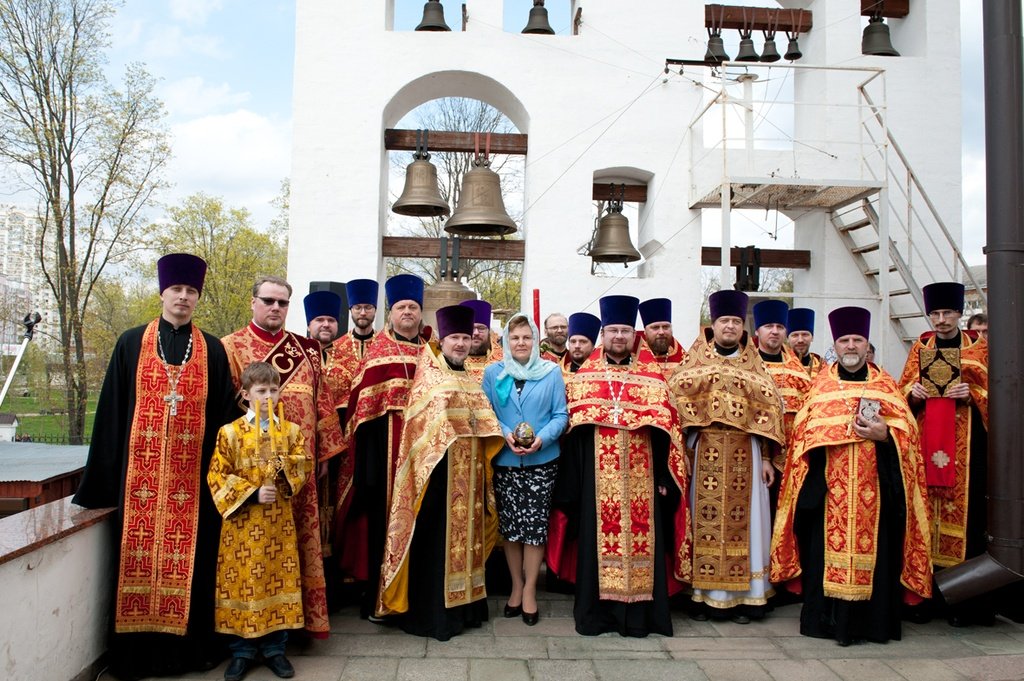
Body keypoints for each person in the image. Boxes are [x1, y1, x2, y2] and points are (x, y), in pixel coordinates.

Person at [73, 253, 240, 680]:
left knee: (194, 568)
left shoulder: (212, 348)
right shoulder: (131, 342)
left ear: (197, 297)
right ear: (162, 293)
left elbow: (224, 419)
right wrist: (100, 486)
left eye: (190, 292)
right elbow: (111, 411)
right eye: (177, 290)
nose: (183, 298)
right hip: (139, 487)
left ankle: (189, 653)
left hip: (194, 486)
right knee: (138, 562)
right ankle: (137, 657)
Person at [771, 306, 932, 646]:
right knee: (822, 557)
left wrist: (884, 436)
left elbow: (908, 437)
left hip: (877, 496)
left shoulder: (885, 386)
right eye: (844, 340)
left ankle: (872, 626)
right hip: (828, 495)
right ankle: (825, 623)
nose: (851, 346)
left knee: (879, 560)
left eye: (857, 339)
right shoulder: (820, 386)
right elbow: (802, 434)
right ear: (836, 344)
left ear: (866, 343)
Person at [551, 295, 691, 637]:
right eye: (612, 330)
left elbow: (666, 433)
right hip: (595, 483)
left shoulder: (652, 377)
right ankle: (598, 617)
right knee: (595, 548)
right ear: (604, 333)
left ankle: (642, 618)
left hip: (643, 480)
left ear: (633, 334)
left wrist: (662, 477)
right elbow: (573, 433)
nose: (618, 336)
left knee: (645, 546)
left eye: (624, 330)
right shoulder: (586, 375)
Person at [221, 276, 345, 639]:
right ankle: (252, 630)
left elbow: (322, 401)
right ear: (253, 302)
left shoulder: (306, 348)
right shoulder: (230, 346)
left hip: (299, 469)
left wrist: (323, 452)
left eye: (282, 302)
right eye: (269, 300)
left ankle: (297, 626)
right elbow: (225, 411)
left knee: (299, 543)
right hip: (252, 473)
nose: (276, 308)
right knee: (256, 547)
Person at [376, 305, 504, 640]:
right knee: (437, 545)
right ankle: (434, 616)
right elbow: (422, 430)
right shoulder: (430, 377)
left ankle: (467, 609)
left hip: (471, 473)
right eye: (454, 338)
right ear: (441, 340)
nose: (461, 344)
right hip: (438, 477)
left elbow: (482, 422)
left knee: (468, 543)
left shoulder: (470, 378)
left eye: (465, 337)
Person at [668, 289, 784, 624]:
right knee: (702, 525)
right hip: (704, 451)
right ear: (713, 325)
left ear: (743, 327)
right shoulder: (693, 363)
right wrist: (684, 452)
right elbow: (676, 407)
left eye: (735, 321)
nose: (730, 327)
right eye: (724, 321)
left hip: (745, 454)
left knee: (748, 527)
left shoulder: (756, 368)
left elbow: (769, 412)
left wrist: (765, 457)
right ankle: (703, 597)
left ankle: (746, 598)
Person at [208, 362, 311, 681]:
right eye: (261, 391)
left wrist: (283, 469)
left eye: (273, 389)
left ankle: (275, 649)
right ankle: (241, 651)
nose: (268, 396)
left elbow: (302, 465)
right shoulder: (229, 432)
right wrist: (251, 493)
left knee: (276, 579)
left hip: (277, 526)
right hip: (240, 528)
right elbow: (216, 475)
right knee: (243, 584)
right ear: (245, 394)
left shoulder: (291, 431)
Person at [898, 282, 991, 626]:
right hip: (925, 446)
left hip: (968, 452)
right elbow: (900, 392)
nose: (941, 320)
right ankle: (923, 599)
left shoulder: (979, 349)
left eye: (947, 313)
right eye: (935, 314)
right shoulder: (919, 349)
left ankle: (963, 602)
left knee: (969, 524)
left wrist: (973, 395)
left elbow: (996, 393)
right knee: (922, 521)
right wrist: (914, 393)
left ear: (958, 313)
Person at [338, 274, 428, 619]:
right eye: (402, 307)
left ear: (420, 313)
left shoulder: (430, 352)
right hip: (384, 457)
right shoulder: (378, 351)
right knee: (383, 524)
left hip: (423, 451)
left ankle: (414, 595)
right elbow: (362, 412)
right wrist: (370, 467)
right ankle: (380, 599)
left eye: (413, 307)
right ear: (390, 313)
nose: (407, 312)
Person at [481, 314, 569, 625]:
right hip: (505, 460)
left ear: (535, 341)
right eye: (515, 337)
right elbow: (487, 411)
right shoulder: (494, 373)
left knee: (534, 529)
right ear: (507, 341)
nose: (521, 343)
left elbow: (561, 415)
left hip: (541, 462)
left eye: (526, 337)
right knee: (511, 529)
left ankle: (530, 589)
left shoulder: (551, 373)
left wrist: (542, 439)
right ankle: (515, 586)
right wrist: (505, 432)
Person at [752, 300, 811, 480]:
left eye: (780, 326)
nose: (775, 331)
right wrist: (765, 456)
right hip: (756, 454)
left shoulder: (798, 371)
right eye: (769, 326)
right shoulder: (748, 366)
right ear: (757, 331)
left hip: (793, 453)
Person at [638, 298, 684, 375]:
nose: (661, 332)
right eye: (655, 327)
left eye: (666, 327)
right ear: (645, 331)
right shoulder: (634, 357)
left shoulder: (682, 359)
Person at [462, 298, 503, 382]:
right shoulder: (450, 363)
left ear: (489, 332)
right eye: (471, 328)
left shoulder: (503, 363)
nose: (476, 333)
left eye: (481, 328)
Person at [558, 312, 601, 378]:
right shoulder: (558, 373)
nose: (577, 346)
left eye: (583, 342)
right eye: (573, 341)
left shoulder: (602, 373)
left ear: (593, 346)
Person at [787, 307, 823, 376]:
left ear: (812, 337)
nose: (800, 340)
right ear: (788, 339)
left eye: (805, 334)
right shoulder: (780, 365)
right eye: (795, 335)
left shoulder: (822, 366)